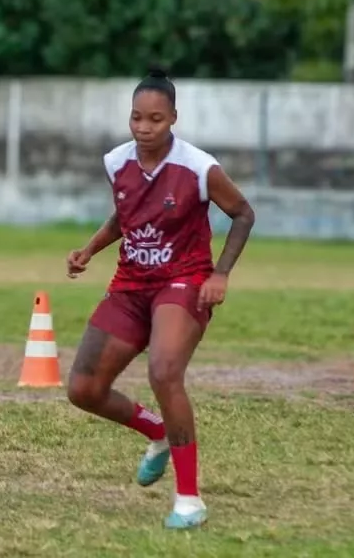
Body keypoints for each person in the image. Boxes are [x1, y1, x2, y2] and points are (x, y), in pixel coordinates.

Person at [65, 67, 255, 529]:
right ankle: (158, 431)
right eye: (137, 117)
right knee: (84, 389)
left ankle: (189, 500)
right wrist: (89, 249)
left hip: (184, 281)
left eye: (155, 119)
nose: (144, 127)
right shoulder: (117, 162)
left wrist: (221, 274)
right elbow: (125, 215)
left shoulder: (199, 167)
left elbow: (243, 213)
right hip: (131, 284)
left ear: (173, 118)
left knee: (164, 370)